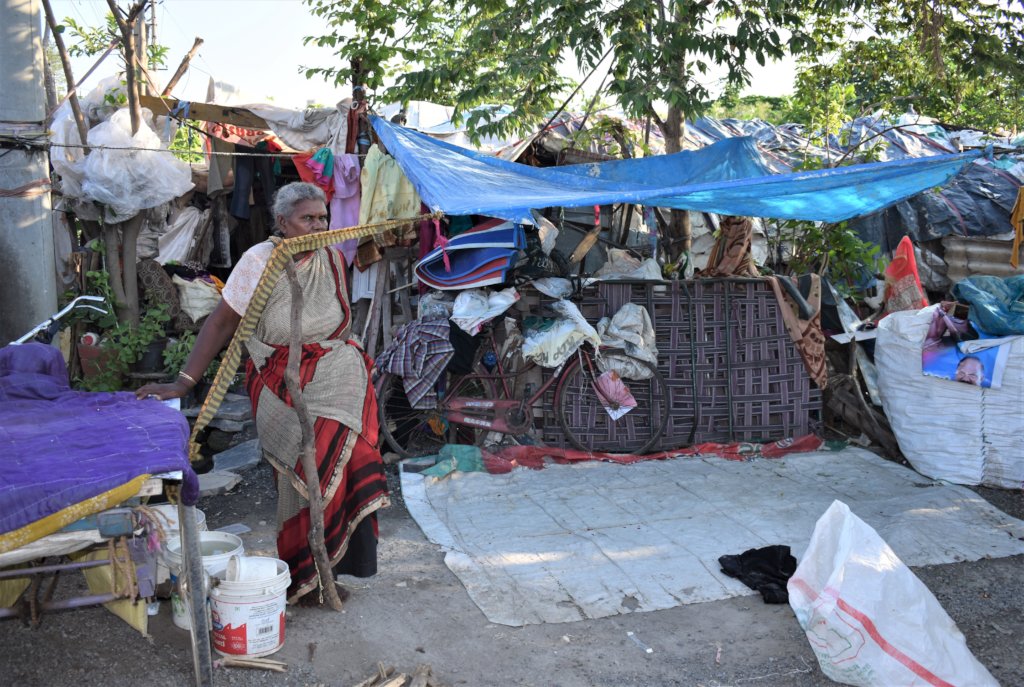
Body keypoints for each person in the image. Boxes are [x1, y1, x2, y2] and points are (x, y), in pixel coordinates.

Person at [137, 182, 388, 605]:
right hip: (277, 375)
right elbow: (220, 323)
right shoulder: (259, 260)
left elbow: (337, 321)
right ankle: (305, 578)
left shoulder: (329, 254)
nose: (318, 225)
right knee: (301, 477)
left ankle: (336, 567)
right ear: (282, 222)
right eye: (308, 218)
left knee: (352, 457)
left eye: (323, 217)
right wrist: (183, 382)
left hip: (333, 370)